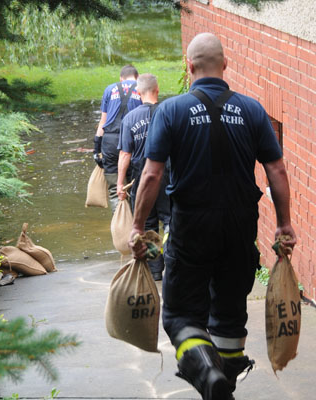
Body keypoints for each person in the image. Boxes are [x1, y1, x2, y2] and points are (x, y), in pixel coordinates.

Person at [128, 33, 297, 400]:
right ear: (225, 64)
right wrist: (284, 224)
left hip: (192, 227)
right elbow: (278, 172)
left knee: (180, 317)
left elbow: (152, 175)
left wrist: (139, 227)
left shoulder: (171, 111)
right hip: (240, 230)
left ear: (189, 68)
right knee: (229, 319)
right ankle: (223, 386)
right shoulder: (252, 110)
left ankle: (206, 372)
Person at [116, 73, 170, 281]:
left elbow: (125, 155)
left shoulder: (130, 118)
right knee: (169, 221)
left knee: (147, 224)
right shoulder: (168, 112)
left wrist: (120, 184)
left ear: (138, 94)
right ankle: (172, 262)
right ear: (157, 90)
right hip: (168, 176)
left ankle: (155, 270)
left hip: (141, 179)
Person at [93, 65, 142, 213]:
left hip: (110, 141)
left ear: (121, 78)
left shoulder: (109, 89)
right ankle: (137, 226)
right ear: (137, 77)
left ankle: (119, 222)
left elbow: (103, 122)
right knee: (135, 185)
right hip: (133, 140)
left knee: (115, 189)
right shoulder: (141, 87)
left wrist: (97, 149)